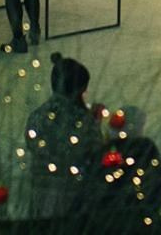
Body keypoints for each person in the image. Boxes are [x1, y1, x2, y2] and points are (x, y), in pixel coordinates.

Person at [26, 53, 112, 217]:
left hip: (41, 199)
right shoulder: (82, 121)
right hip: (74, 204)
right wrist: (94, 124)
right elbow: (93, 156)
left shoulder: (36, 116)